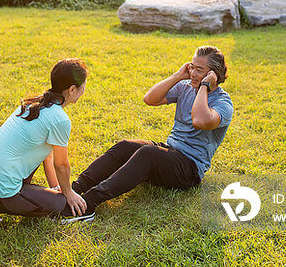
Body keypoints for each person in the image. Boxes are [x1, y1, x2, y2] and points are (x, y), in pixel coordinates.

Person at [68, 45, 233, 222]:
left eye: (199, 70)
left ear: (213, 74)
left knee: (148, 154)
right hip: (170, 152)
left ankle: (88, 203)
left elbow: (200, 120)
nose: (192, 73)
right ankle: (74, 190)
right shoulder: (186, 87)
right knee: (126, 146)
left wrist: (204, 87)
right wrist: (178, 75)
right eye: (192, 66)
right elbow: (150, 99)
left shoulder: (223, 103)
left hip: (189, 169)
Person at [0, 58, 89, 237]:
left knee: (56, 195)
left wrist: (55, 186)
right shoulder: (60, 118)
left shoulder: (35, 102)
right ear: (72, 90)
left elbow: (46, 155)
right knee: (59, 204)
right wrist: (67, 192)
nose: (84, 90)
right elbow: (62, 165)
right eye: (83, 86)